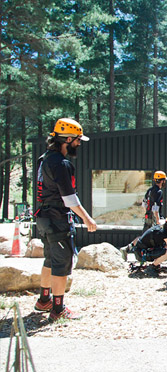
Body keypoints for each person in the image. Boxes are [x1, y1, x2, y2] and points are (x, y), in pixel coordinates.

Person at [34, 118, 97, 322]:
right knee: (61, 263)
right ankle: (58, 309)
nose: (79, 144)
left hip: (43, 218)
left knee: (50, 259)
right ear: (68, 139)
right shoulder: (62, 164)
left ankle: (44, 300)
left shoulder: (43, 159)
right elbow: (69, 198)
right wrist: (88, 220)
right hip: (58, 219)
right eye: (78, 140)